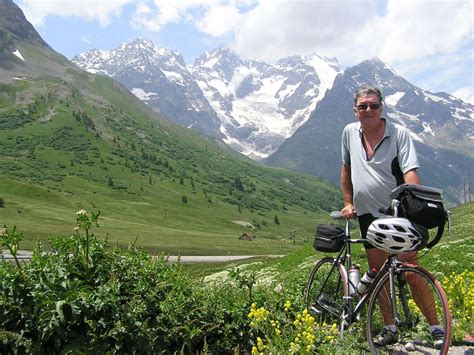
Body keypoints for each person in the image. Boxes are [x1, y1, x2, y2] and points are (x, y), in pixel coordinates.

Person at [340, 85, 445, 349]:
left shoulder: (398, 133)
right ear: (356, 110)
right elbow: (346, 168)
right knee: (378, 274)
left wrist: (411, 201)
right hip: (366, 214)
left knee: (410, 271)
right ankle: (390, 329)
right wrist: (348, 202)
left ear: (381, 107)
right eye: (363, 106)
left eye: (374, 105)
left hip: (396, 213)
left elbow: (410, 172)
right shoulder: (349, 133)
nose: (368, 110)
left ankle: (436, 327)